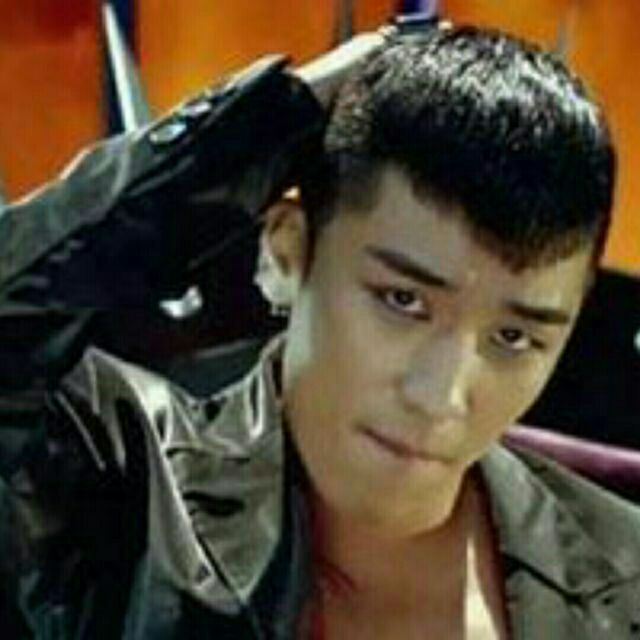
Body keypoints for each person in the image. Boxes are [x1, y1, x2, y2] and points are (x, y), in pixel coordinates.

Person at [0, 18, 638, 640]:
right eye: (403, 301)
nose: (440, 396)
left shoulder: (624, 573)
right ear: (287, 251)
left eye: (514, 338)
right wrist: (260, 123)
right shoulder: (117, 492)